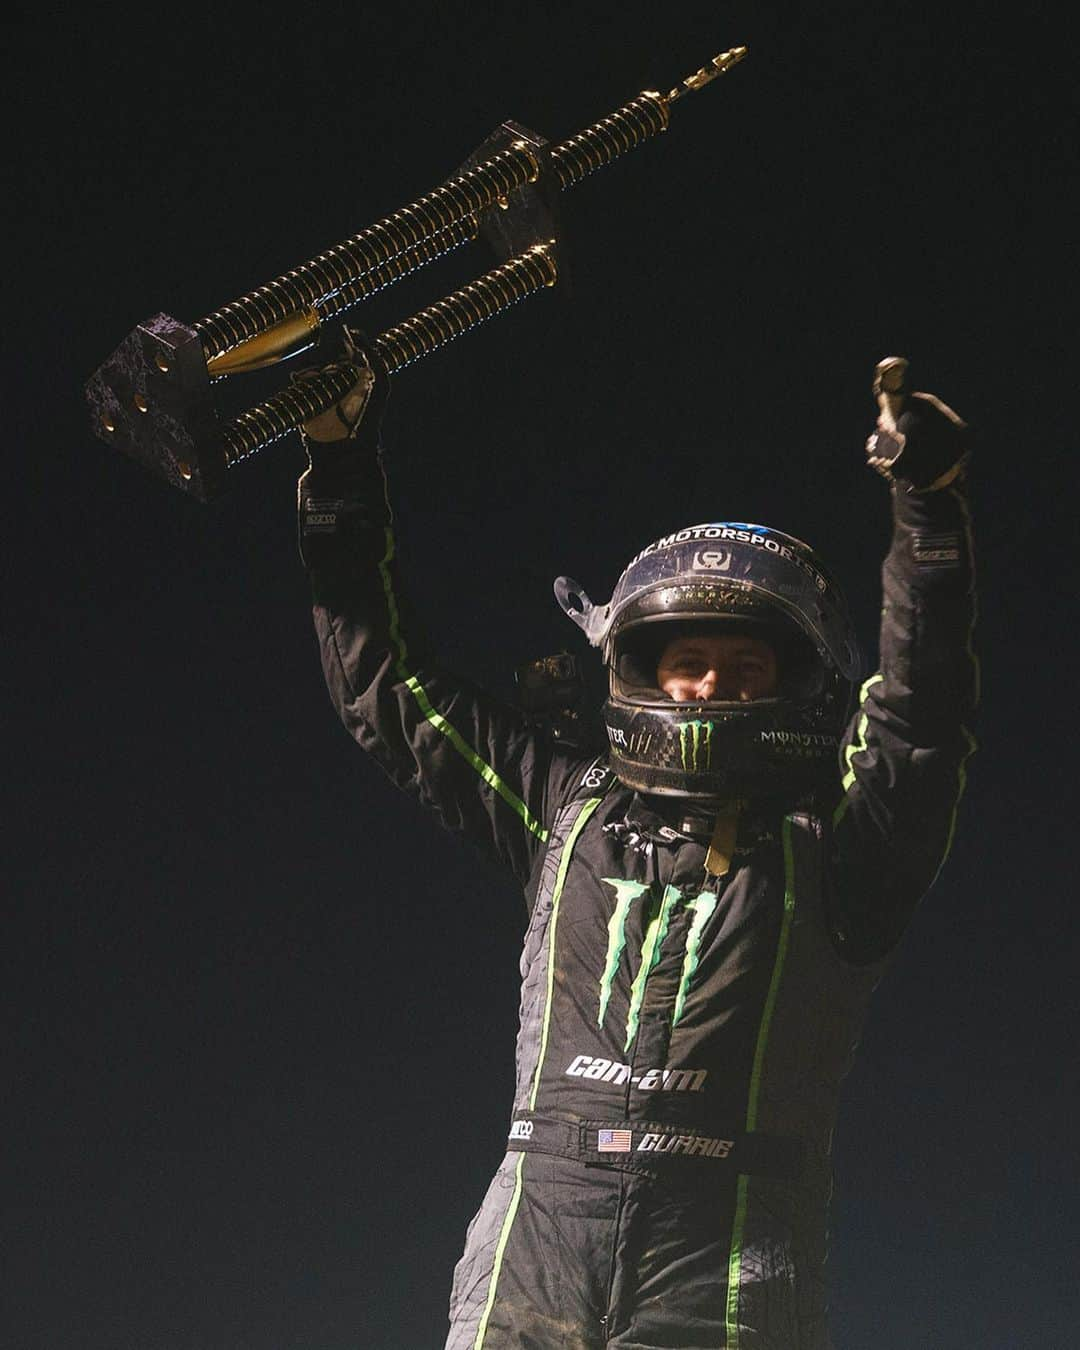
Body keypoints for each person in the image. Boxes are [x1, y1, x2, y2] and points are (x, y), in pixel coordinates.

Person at [296, 342, 976, 1349]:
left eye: (742, 664)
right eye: (686, 660)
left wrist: (930, 512)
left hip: (731, 1256)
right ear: (637, 671)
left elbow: (922, 728)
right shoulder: (567, 810)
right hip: (535, 1236)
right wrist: (338, 470)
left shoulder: (837, 851)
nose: (707, 685)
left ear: (796, 682)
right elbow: (385, 690)